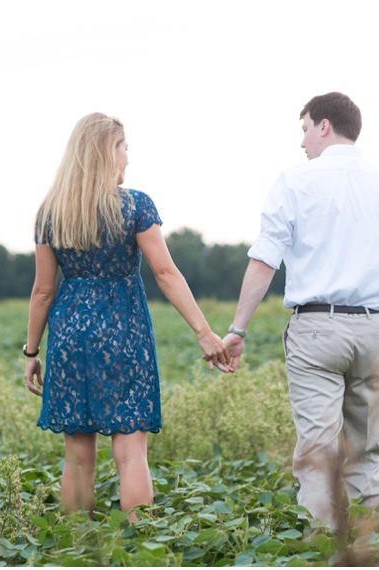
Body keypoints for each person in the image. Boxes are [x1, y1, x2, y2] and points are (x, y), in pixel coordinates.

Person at [221, 92, 379, 528]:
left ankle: (322, 549)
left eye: (304, 129)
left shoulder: (295, 181)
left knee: (318, 451)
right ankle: (373, 545)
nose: (302, 143)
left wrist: (237, 331)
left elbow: (265, 259)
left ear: (323, 126)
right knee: (367, 449)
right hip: (375, 329)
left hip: (316, 329)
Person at [23, 112, 231, 521]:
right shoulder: (135, 205)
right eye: (124, 148)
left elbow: (43, 290)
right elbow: (166, 273)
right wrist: (203, 331)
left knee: (78, 457)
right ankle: (140, 549)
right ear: (105, 152)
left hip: (70, 335)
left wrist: (32, 350)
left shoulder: (49, 212)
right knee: (131, 452)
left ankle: (77, 547)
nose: (127, 159)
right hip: (123, 332)